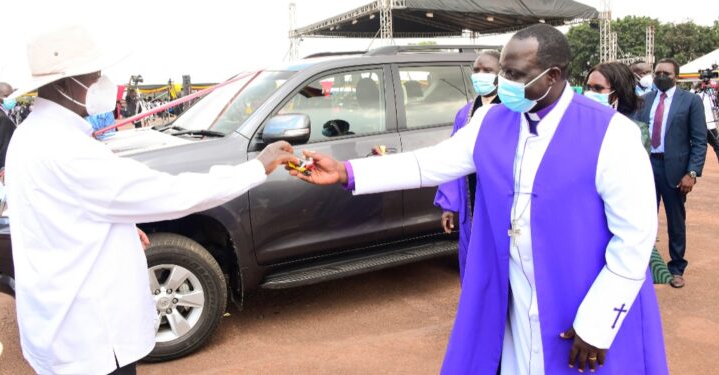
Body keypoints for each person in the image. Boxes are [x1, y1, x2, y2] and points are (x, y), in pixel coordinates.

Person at [290, 24, 666, 374]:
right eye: (504, 71)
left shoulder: (610, 133)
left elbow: (634, 237)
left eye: (516, 75)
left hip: (580, 296)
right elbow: (431, 163)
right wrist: (347, 173)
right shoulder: (492, 121)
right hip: (514, 289)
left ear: (553, 76)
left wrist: (598, 324)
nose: (504, 83)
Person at [4, 26, 296, 375]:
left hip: (62, 328)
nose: (103, 82)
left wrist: (120, 230)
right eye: (94, 76)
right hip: (90, 340)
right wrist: (256, 169)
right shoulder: (67, 150)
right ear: (68, 84)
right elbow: (172, 194)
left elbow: (64, 217)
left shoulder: (32, 134)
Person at [584, 62, 676, 285]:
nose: (589, 93)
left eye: (598, 89)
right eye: (588, 87)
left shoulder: (633, 131)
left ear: (618, 93)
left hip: (615, 218)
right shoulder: (579, 126)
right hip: (585, 216)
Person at [634, 58, 707, 289]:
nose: (661, 77)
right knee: (644, 220)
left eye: (666, 73)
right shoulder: (644, 101)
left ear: (676, 76)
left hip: (675, 170)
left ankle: (676, 267)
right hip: (646, 167)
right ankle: (643, 266)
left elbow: (699, 140)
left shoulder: (691, 101)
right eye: (657, 73)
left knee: (676, 220)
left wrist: (692, 172)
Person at [433, 49, 501, 283]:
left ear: (501, 74)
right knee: (473, 264)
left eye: (488, 70)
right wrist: (448, 206)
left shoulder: (512, 110)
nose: (480, 75)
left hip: (501, 200)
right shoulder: (465, 113)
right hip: (472, 202)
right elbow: (452, 159)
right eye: (477, 70)